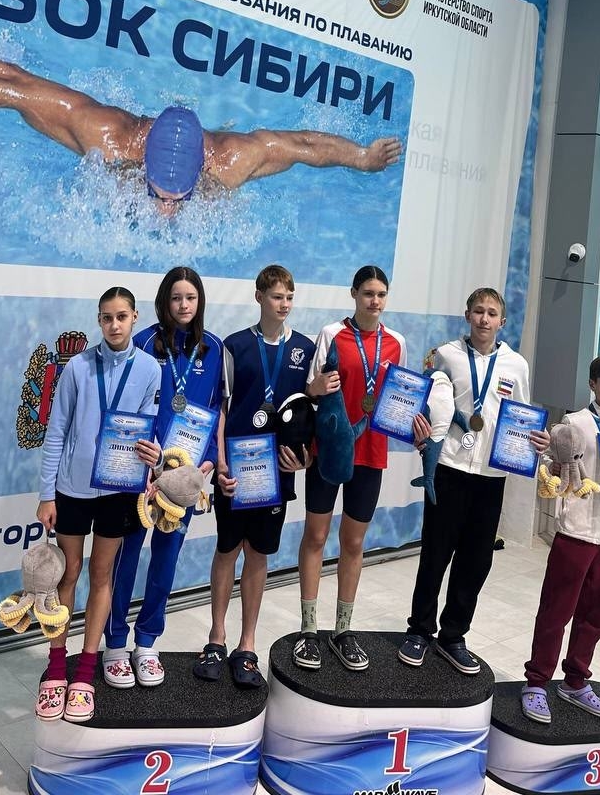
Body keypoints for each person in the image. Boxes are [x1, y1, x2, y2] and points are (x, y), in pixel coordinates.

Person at [0, 8, 402, 213]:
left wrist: (360, 159)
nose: (166, 209)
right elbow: (7, 83)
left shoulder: (232, 161)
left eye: (177, 194)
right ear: (141, 158)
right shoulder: (107, 138)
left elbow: (302, 146)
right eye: (159, 192)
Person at [400, 287, 549, 674]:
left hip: (490, 475)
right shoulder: (446, 355)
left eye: (492, 313)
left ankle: (453, 635)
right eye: (479, 311)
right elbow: (427, 404)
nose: (485, 319)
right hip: (449, 466)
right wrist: (420, 432)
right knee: (435, 553)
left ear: (503, 321)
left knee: (476, 560)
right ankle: (419, 630)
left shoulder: (517, 365)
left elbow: (522, 415)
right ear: (467, 315)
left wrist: (537, 441)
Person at [35, 285, 161, 723]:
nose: (114, 325)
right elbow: (56, 430)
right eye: (106, 317)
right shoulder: (78, 367)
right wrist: (46, 493)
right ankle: (57, 665)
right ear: (99, 320)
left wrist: (153, 457)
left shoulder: (149, 368)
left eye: (121, 316)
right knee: (67, 574)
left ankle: (86, 671)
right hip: (73, 489)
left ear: (135, 318)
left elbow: (147, 430)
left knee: (102, 575)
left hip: (119, 489)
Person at [195, 264, 315, 688]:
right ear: (259, 297)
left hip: (276, 473)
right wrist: (220, 461)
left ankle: (247, 644)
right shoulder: (234, 345)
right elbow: (222, 408)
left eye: (289, 297)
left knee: (259, 554)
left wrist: (304, 459)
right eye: (277, 296)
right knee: (227, 549)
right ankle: (217, 638)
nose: (284, 304)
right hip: (235, 469)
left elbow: (309, 412)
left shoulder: (304, 349)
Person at [102, 266, 223, 687]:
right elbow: (126, 408)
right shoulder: (141, 342)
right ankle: (115, 643)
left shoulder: (213, 348)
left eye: (191, 297)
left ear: (199, 301)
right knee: (125, 558)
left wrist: (209, 461)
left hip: (184, 476)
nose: (184, 305)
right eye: (176, 297)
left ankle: (147, 642)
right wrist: (147, 458)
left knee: (166, 559)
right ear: (163, 301)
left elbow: (214, 411)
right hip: (142, 471)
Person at [295, 265, 416, 673]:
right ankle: (308, 630)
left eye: (381, 294)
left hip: (370, 452)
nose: (375, 301)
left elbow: (399, 399)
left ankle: (343, 631)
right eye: (368, 293)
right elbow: (310, 391)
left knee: (353, 541)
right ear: (354, 294)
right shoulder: (332, 334)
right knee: (316, 535)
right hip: (329, 449)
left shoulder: (396, 343)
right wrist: (314, 389)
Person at [520, 355, 600, 724]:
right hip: (576, 529)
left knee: (595, 614)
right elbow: (552, 470)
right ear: (593, 384)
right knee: (557, 610)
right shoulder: (574, 423)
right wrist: (553, 464)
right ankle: (536, 682)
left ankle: (575, 681)